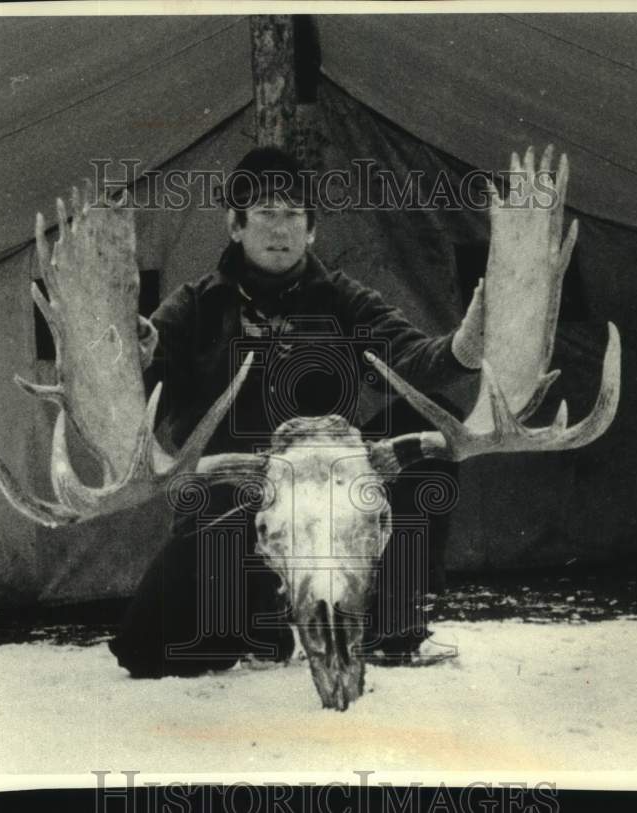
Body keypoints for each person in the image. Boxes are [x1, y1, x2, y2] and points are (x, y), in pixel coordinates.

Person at [108, 147, 485, 678]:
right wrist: (137, 356)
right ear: (235, 226)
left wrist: (461, 351)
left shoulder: (344, 300)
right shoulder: (195, 307)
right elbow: (147, 388)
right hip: (237, 499)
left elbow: (410, 358)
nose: (280, 229)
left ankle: (391, 626)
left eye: (294, 214)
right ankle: (260, 615)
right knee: (148, 652)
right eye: (265, 213)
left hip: (334, 501)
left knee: (429, 424)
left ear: (312, 230)